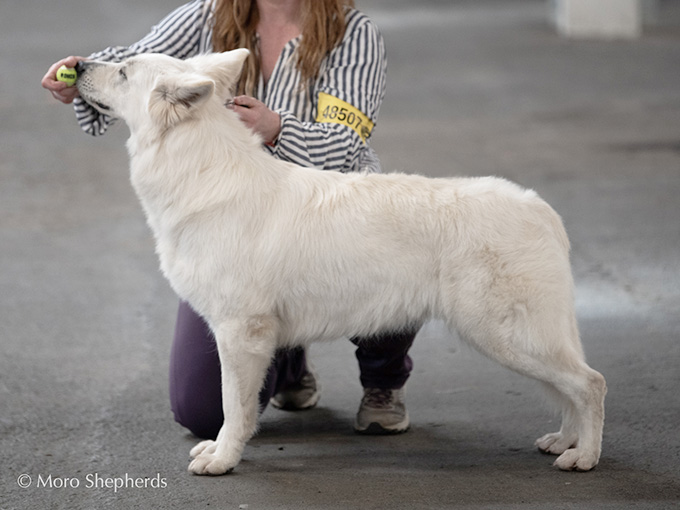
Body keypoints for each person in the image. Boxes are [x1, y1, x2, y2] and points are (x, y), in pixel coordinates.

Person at [42, 0, 419, 439]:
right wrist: (83, 79)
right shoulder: (207, 14)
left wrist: (277, 128)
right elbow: (139, 67)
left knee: (400, 248)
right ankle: (288, 362)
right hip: (234, 219)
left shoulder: (353, 33)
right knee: (202, 414)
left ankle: (382, 379)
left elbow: (345, 143)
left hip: (331, 210)